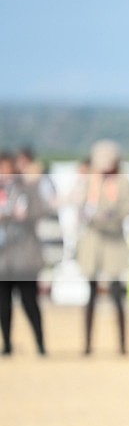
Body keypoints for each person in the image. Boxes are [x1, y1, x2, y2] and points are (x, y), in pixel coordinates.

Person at [76, 140, 129, 355]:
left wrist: (112, 215)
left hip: (115, 240)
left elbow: (128, 207)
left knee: (117, 295)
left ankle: (122, 346)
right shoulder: (88, 181)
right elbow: (79, 205)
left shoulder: (122, 181)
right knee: (90, 293)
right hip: (92, 241)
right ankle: (87, 346)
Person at [0, 151, 46, 356]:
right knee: (3, 302)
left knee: (29, 301)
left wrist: (23, 215)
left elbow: (41, 211)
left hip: (25, 256)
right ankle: (7, 344)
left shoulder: (27, 189)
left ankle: (40, 344)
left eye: (8, 169)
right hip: (3, 257)